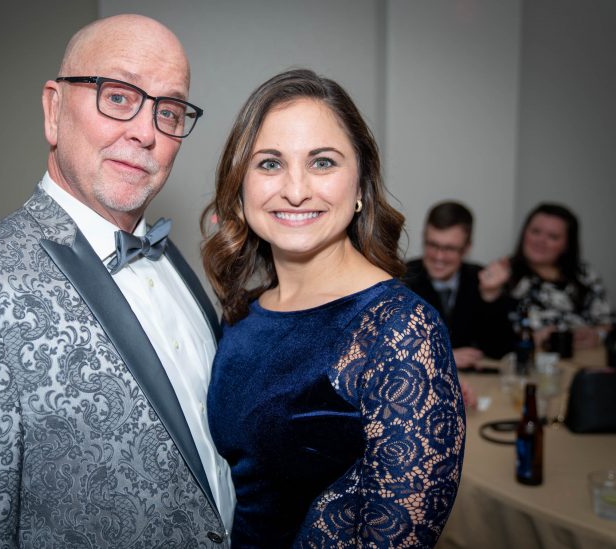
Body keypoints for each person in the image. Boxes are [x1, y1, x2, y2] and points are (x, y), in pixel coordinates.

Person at [0, 15, 234, 547]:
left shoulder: (176, 262)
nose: (145, 132)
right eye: (118, 97)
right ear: (54, 109)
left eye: (168, 111)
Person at [201, 69, 465, 548]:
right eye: (269, 164)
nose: (296, 189)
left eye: (322, 162)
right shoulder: (242, 314)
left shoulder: (401, 330)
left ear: (361, 184)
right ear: (240, 185)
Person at [482, 203, 613, 350]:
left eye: (553, 237)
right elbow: (488, 334)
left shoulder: (584, 274)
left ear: (567, 244)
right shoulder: (502, 273)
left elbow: (607, 322)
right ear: (524, 233)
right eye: (535, 232)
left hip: (583, 357)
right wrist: (532, 339)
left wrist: (598, 335)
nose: (540, 241)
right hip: (527, 358)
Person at [404, 201, 514, 369]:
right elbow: (390, 348)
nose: (439, 257)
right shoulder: (402, 279)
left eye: (449, 248)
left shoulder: (481, 279)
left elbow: (500, 351)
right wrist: (442, 356)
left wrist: (491, 297)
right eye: (432, 245)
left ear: (467, 248)